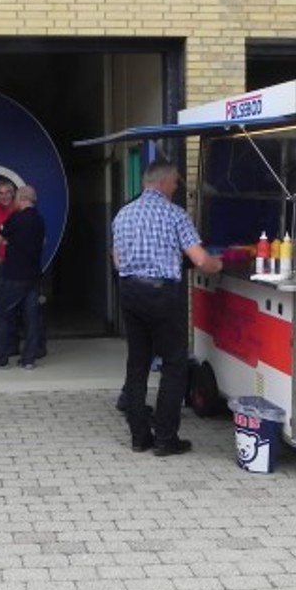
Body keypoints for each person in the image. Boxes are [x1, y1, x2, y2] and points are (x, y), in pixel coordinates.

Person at [111, 160, 222, 456]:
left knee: (137, 365)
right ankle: (165, 438)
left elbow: (118, 261)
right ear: (162, 182)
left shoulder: (122, 214)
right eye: (174, 182)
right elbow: (200, 260)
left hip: (130, 292)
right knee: (174, 365)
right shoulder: (175, 215)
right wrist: (218, 264)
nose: (176, 187)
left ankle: (139, 437)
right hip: (163, 296)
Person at [0, 185, 46, 371]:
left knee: (1, 313)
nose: (14, 200)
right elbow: (40, 242)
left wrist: (11, 241)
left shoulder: (16, 218)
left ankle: (0, 359)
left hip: (15, 275)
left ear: (22, 198)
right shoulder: (39, 220)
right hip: (34, 276)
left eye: (15, 197)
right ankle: (28, 359)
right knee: (31, 317)